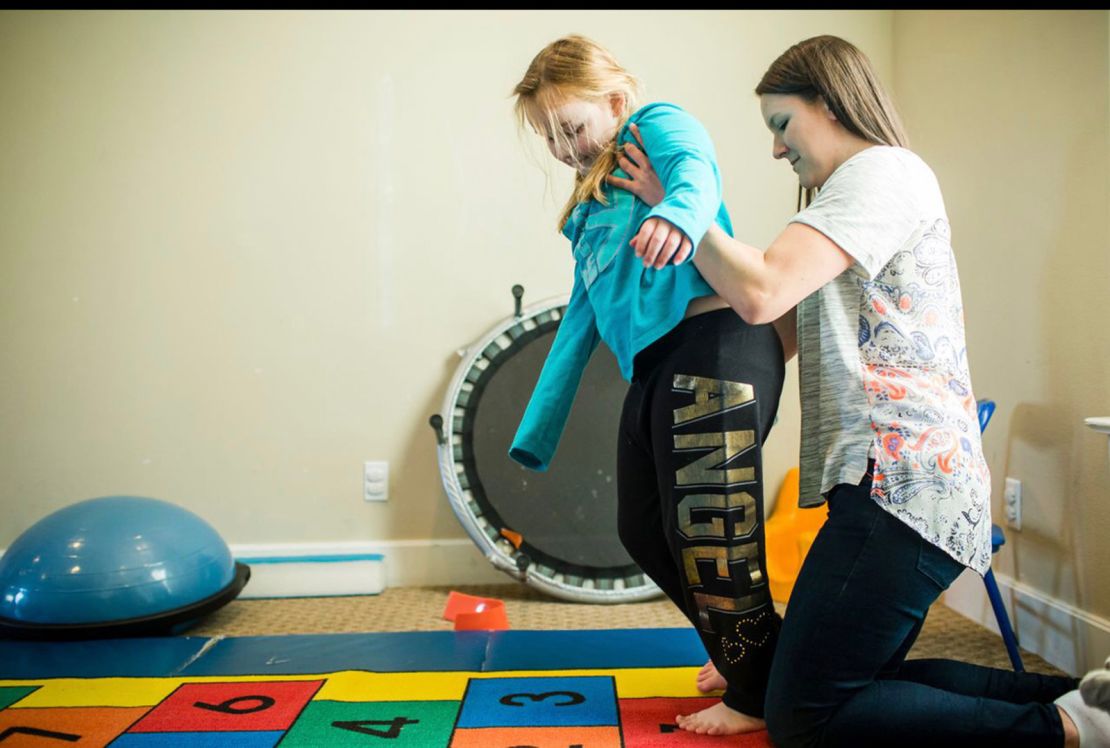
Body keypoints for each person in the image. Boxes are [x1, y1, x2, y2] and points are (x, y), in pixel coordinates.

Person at [612, 34, 1106, 746]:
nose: (778, 150)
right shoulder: (842, 207)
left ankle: (1067, 729)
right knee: (839, 685)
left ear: (830, 101)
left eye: (782, 126)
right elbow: (765, 336)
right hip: (881, 486)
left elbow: (760, 293)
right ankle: (1087, 699)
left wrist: (681, 209)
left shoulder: (882, 175)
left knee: (807, 717)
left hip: (906, 487)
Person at [507, 34, 790, 735]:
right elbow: (581, 319)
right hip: (657, 363)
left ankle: (755, 694)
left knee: (709, 530)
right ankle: (748, 653)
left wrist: (673, 212)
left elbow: (696, 175)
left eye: (571, 127)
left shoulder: (654, 125)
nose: (564, 147)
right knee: (642, 528)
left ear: (615, 100)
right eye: (549, 137)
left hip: (719, 342)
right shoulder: (588, 208)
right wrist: (537, 429)